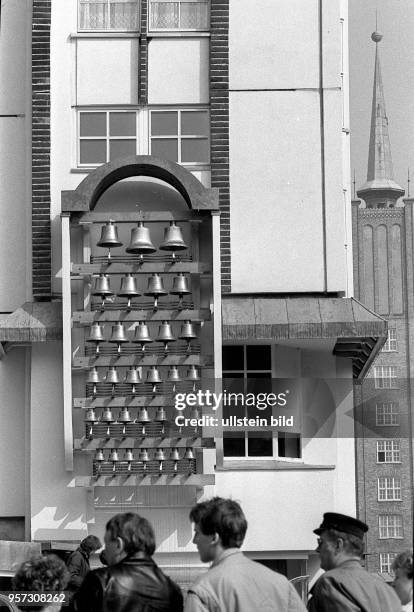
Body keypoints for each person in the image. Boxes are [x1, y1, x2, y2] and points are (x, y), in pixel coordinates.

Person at [185, 496, 306, 612]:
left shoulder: (204, 590)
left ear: (214, 538)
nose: (194, 540)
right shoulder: (281, 584)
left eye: (197, 533)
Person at [71, 512, 183, 612]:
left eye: (107, 542)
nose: (104, 550)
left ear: (119, 545)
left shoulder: (100, 581)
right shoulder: (172, 589)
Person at [308, 512, 402, 612]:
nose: (317, 549)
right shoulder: (387, 591)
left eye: (321, 542)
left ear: (338, 545)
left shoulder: (331, 582)